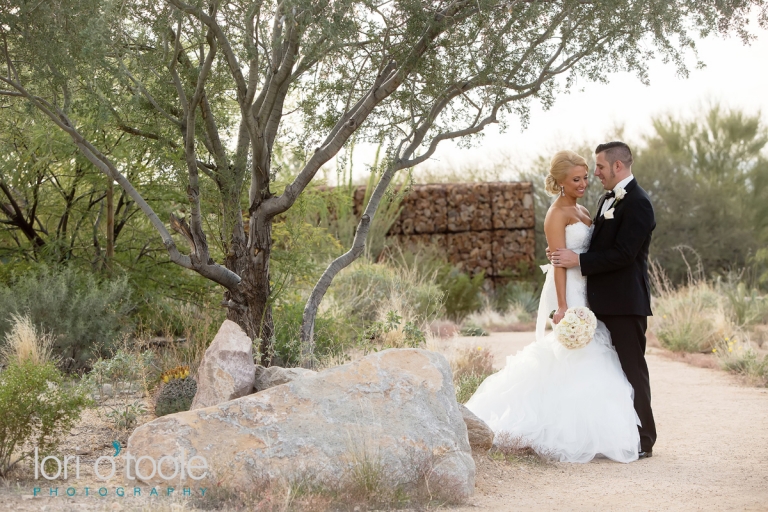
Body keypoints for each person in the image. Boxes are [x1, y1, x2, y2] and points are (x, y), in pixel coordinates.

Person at [464, 149, 640, 463]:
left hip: (591, 288)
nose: (584, 183)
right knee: (576, 355)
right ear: (559, 182)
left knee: (596, 354)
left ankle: (593, 434)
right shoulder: (556, 213)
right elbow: (559, 264)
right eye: (576, 179)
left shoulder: (585, 208)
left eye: (586, 177)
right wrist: (562, 306)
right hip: (571, 291)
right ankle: (567, 434)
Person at [550, 141, 657, 458]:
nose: (594, 173)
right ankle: (618, 436)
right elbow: (596, 244)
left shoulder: (638, 203)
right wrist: (566, 253)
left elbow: (625, 254)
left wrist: (578, 262)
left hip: (625, 304)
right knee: (610, 372)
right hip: (599, 302)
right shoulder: (606, 200)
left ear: (618, 167)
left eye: (599, 167)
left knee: (632, 371)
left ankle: (645, 440)